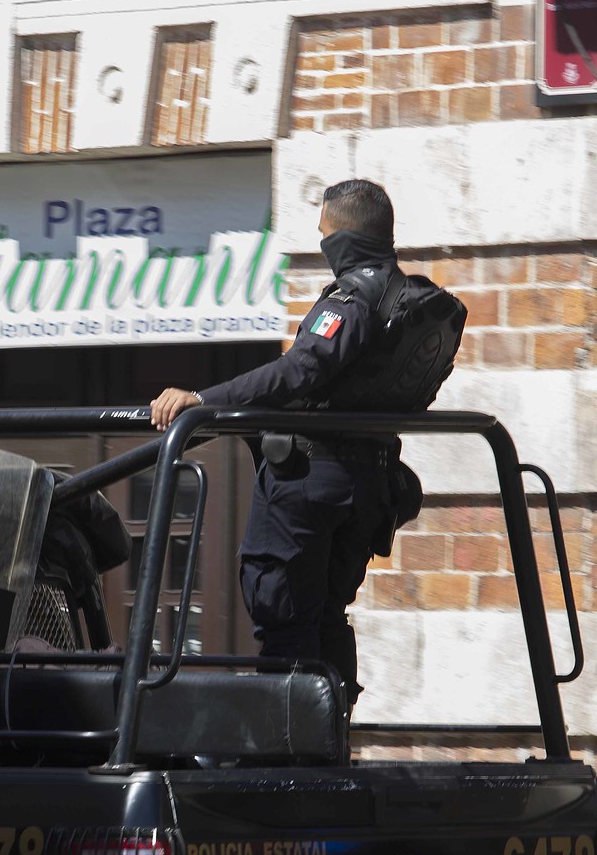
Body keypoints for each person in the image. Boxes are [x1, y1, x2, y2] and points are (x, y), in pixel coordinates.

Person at [149, 178, 465, 703]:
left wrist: (202, 401)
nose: (322, 245)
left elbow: (298, 371)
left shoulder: (352, 299)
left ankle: (289, 744)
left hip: (310, 484)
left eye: (324, 235)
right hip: (367, 485)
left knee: (285, 620)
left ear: (343, 237)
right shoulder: (412, 302)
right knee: (326, 618)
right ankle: (331, 734)